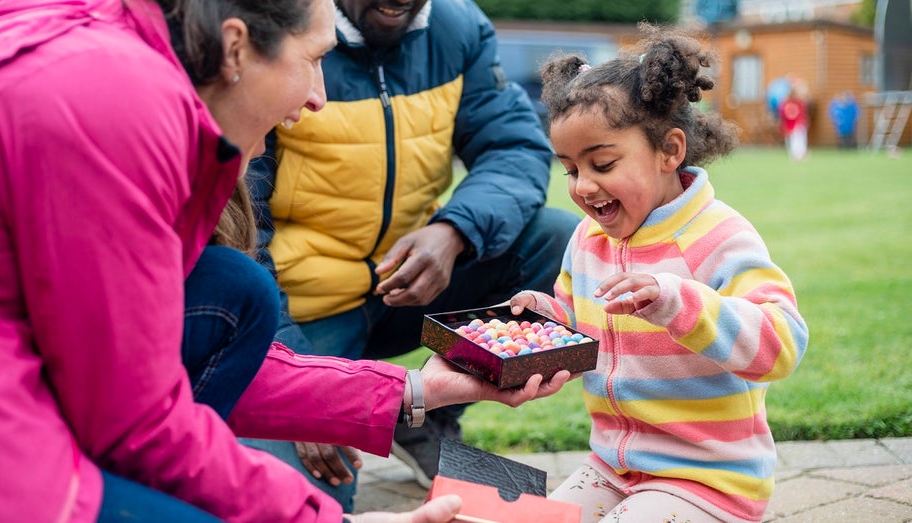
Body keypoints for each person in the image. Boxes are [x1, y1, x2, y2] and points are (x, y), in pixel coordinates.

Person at [0, 1, 573, 522]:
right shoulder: (114, 106)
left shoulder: (148, 65)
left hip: (387, 294)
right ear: (236, 45)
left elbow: (144, 364)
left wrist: (421, 389)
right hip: (300, 311)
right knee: (285, 476)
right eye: (313, 59)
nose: (319, 96)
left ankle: (424, 433)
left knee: (230, 288)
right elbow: (136, 417)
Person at [243, 0, 581, 504]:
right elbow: (238, 236)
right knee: (307, 494)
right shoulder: (280, 26)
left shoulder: (458, 27)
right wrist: (296, 382)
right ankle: (367, 400)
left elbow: (513, 147)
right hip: (301, 311)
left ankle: (426, 419)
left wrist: (454, 231)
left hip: (414, 288)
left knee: (554, 238)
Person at [507, 24, 809, 523]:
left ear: (670, 151)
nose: (583, 187)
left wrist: (680, 303)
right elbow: (580, 326)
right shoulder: (588, 240)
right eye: (570, 169)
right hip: (613, 467)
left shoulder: (719, 237)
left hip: (707, 479)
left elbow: (783, 343)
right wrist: (549, 319)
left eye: (602, 163)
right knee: (539, 520)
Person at [779, 81, 810, 161]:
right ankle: (798, 154)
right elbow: (801, 114)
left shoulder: (785, 103)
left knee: (796, 140)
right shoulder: (797, 103)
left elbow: (782, 114)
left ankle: (798, 154)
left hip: (792, 125)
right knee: (797, 140)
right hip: (796, 124)